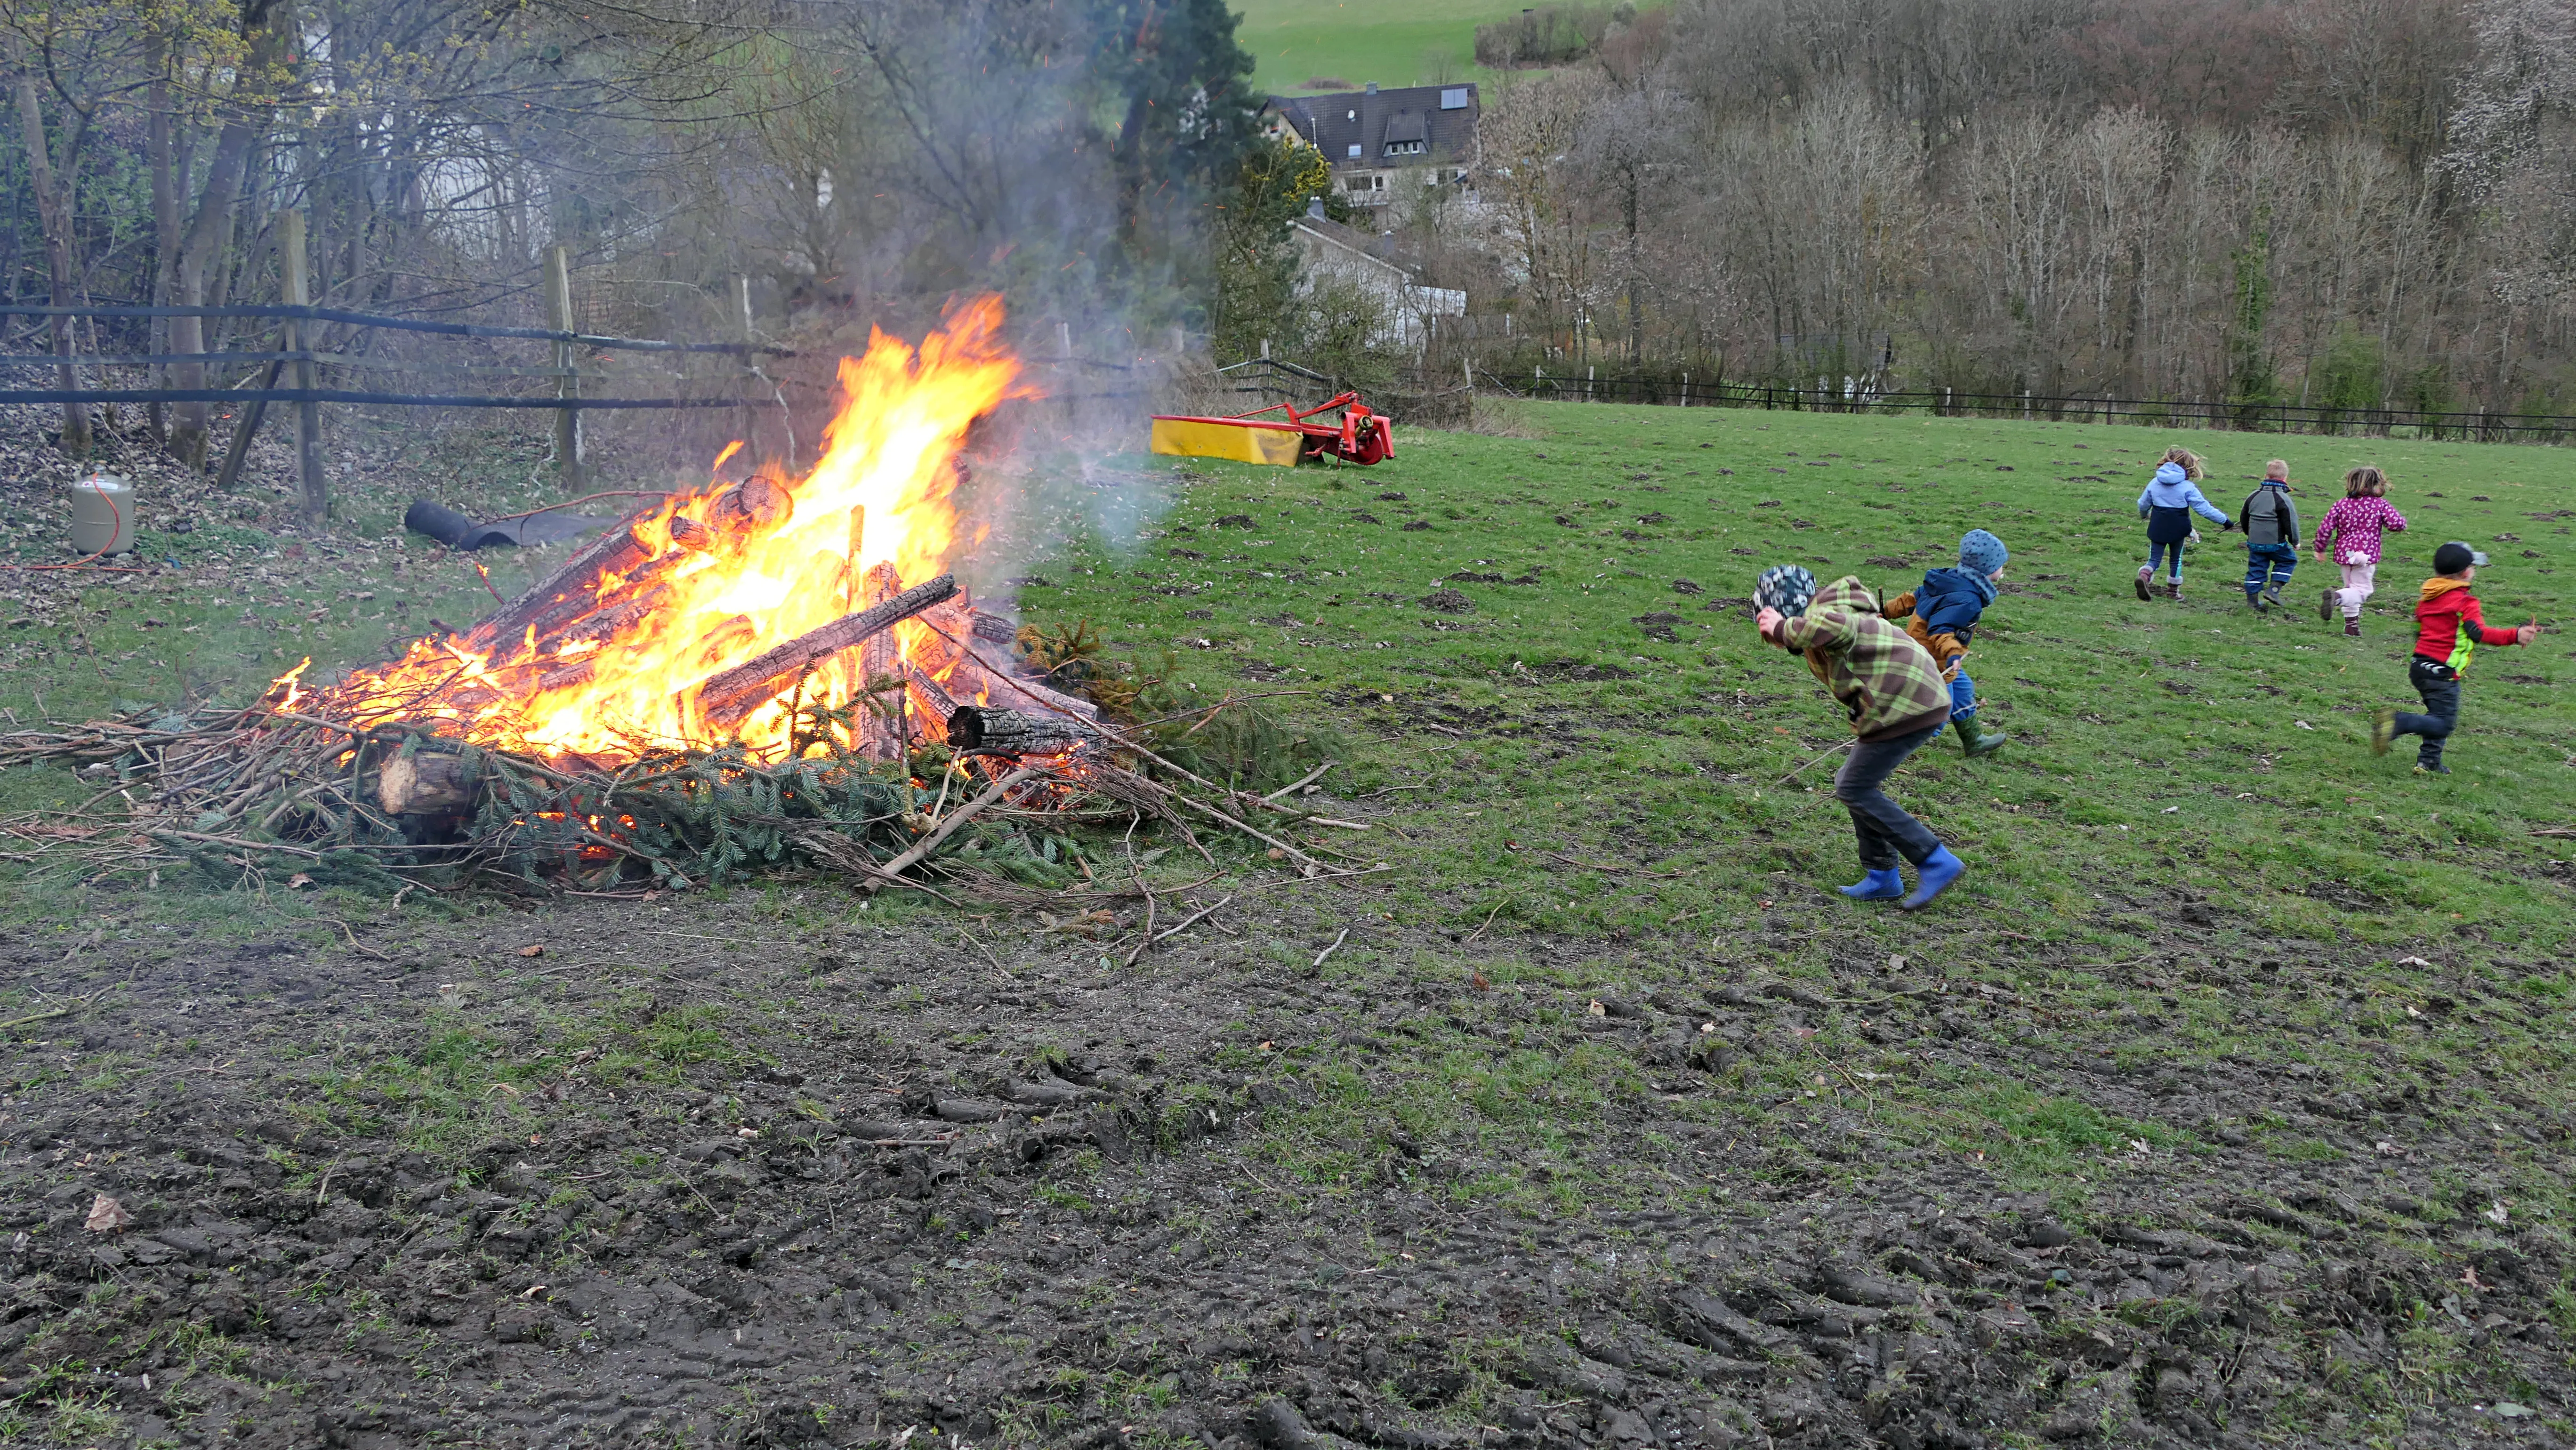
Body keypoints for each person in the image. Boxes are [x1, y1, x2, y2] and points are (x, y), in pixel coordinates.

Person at [1753, 564, 1966, 910]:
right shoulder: (1826, 619)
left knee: (1854, 787)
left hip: (1907, 703)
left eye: (1780, 630)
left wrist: (1781, 626)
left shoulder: (1829, 612)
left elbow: (1838, 628)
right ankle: (1882, 875)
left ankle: (1934, 860)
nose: (1780, 641)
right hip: (1903, 702)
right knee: (1854, 784)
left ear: (1792, 610)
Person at [2370, 542, 2540, 775]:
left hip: (2419, 667)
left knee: (2438, 714)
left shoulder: (2427, 599)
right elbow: (2477, 632)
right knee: (2444, 723)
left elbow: (2419, 631)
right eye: (2473, 566)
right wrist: (2515, 635)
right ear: (2465, 573)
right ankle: (2398, 722)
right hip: (2442, 672)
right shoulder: (2465, 602)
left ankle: (2429, 762)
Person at [1881, 528, 2010, 757]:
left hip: (1935, 657)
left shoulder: (1948, 581)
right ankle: (1899, 741)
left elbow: (1911, 600)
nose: (2003, 570)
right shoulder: (1967, 600)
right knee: (1940, 710)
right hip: (1934, 661)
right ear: (1988, 569)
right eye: (2001, 565)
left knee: (1963, 689)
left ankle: (1973, 741)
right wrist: (1953, 655)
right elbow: (1940, 630)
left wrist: (1885, 612)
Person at [2311, 466, 2407, 637]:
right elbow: (2396, 524)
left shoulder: (2341, 504)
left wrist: (2320, 548)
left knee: (2351, 589)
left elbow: (2325, 528)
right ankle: (2337, 597)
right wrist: (2402, 524)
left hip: (2346, 555)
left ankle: (2351, 627)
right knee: (2361, 591)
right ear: (2374, 485)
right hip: (2365, 556)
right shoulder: (2380, 504)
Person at [2135, 447, 2231, 601]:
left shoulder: (2154, 483)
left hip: (2157, 527)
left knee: (2154, 559)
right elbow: (2204, 509)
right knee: (2176, 559)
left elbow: (2143, 504)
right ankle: (2173, 592)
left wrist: (2144, 515)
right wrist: (2225, 521)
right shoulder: (2188, 487)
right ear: (2189, 467)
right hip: (2179, 530)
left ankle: (2145, 575)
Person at [2238, 459, 2302, 611]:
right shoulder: (2284, 499)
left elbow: (2244, 518)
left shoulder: (2253, 495)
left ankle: (2253, 603)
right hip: (2276, 543)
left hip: (2255, 542)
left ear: (2266, 476)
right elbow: (2291, 523)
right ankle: (2273, 590)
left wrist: (2250, 534)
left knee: (2256, 568)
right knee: (2288, 561)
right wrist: (2295, 542)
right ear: (2285, 479)